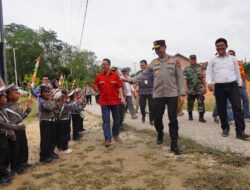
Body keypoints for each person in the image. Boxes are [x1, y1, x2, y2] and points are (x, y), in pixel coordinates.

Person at [127, 40, 185, 155]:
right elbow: (144, 74)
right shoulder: (153, 63)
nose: (157, 51)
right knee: (157, 118)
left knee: (173, 120)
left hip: (172, 94)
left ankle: (174, 144)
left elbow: (180, 78)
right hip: (158, 95)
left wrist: (182, 93)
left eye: (159, 48)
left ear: (165, 47)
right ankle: (160, 133)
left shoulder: (174, 61)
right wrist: (131, 80)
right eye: (155, 49)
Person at [206, 38, 249, 140]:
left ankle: (240, 132)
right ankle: (225, 128)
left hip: (233, 85)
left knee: (237, 107)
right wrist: (209, 83)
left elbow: (237, 72)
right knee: (221, 109)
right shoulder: (212, 60)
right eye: (218, 46)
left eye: (222, 45)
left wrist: (239, 84)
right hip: (219, 87)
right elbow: (208, 72)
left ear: (226, 46)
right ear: (216, 48)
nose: (220, 47)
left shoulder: (232, 58)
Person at [93, 58, 125, 146]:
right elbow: (95, 85)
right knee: (106, 121)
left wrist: (122, 98)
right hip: (104, 102)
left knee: (117, 120)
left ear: (109, 65)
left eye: (105, 64)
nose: (103, 66)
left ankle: (116, 135)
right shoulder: (99, 76)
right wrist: (96, 90)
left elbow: (120, 87)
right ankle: (107, 138)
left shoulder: (115, 75)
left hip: (115, 101)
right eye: (102, 64)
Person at [5, 84, 33, 176]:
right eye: (15, 92)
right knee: (15, 149)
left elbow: (21, 117)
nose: (18, 93)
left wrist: (28, 109)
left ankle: (23, 163)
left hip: (21, 128)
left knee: (23, 146)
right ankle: (15, 167)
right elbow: (7, 122)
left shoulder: (17, 104)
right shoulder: (5, 108)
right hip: (14, 130)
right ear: (9, 95)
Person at [0, 86, 25, 185]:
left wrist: (11, 132)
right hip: (1, 136)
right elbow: (4, 124)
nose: (5, 98)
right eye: (4, 97)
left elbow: (7, 122)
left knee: (6, 154)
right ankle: (2, 177)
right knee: (2, 157)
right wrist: (17, 128)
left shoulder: (2, 109)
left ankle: (5, 174)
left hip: (5, 135)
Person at [39, 84, 59, 163]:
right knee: (45, 140)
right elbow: (49, 107)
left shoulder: (50, 100)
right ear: (41, 93)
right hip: (45, 122)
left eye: (49, 92)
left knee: (52, 138)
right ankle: (44, 156)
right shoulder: (42, 101)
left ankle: (51, 152)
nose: (47, 93)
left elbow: (56, 107)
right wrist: (54, 102)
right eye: (45, 92)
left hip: (52, 121)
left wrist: (53, 102)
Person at [228, 50, 250, 122]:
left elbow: (243, 75)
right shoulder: (226, 64)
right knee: (230, 102)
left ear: (234, 55)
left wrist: (244, 85)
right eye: (230, 55)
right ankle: (231, 118)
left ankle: (246, 115)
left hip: (240, 83)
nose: (231, 56)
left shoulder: (239, 63)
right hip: (230, 84)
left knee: (245, 99)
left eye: (232, 55)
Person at [183, 55, 206, 123]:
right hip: (191, 89)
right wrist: (186, 88)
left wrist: (205, 87)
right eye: (191, 59)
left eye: (194, 59)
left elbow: (202, 79)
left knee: (201, 102)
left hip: (199, 89)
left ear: (196, 60)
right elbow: (185, 80)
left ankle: (201, 117)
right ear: (189, 60)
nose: (193, 60)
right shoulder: (186, 69)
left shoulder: (200, 68)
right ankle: (190, 115)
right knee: (190, 103)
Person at [135, 60, 154, 125]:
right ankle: (143, 116)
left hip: (150, 91)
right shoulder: (138, 73)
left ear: (146, 65)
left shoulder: (151, 73)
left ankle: (151, 119)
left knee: (151, 106)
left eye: (143, 65)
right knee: (142, 106)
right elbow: (136, 81)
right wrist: (134, 90)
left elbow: (155, 81)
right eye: (140, 65)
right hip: (141, 92)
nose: (141, 66)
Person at [56, 90, 73, 154]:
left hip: (61, 121)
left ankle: (60, 147)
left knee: (61, 134)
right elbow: (71, 107)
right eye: (62, 97)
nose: (64, 98)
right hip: (63, 121)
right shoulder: (62, 105)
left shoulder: (60, 104)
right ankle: (64, 148)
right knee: (64, 135)